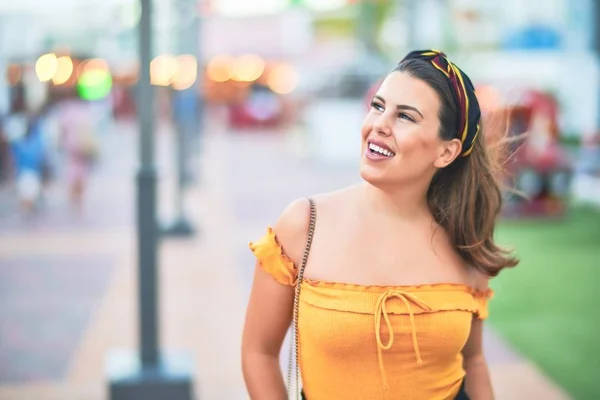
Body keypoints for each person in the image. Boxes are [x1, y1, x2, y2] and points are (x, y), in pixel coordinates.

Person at [242, 49, 520, 400]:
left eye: (405, 116)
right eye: (378, 106)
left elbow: (475, 361)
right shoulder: (304, 224)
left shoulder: (464, 240)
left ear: (446, 152)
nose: (379, 125)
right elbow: (258, 353)